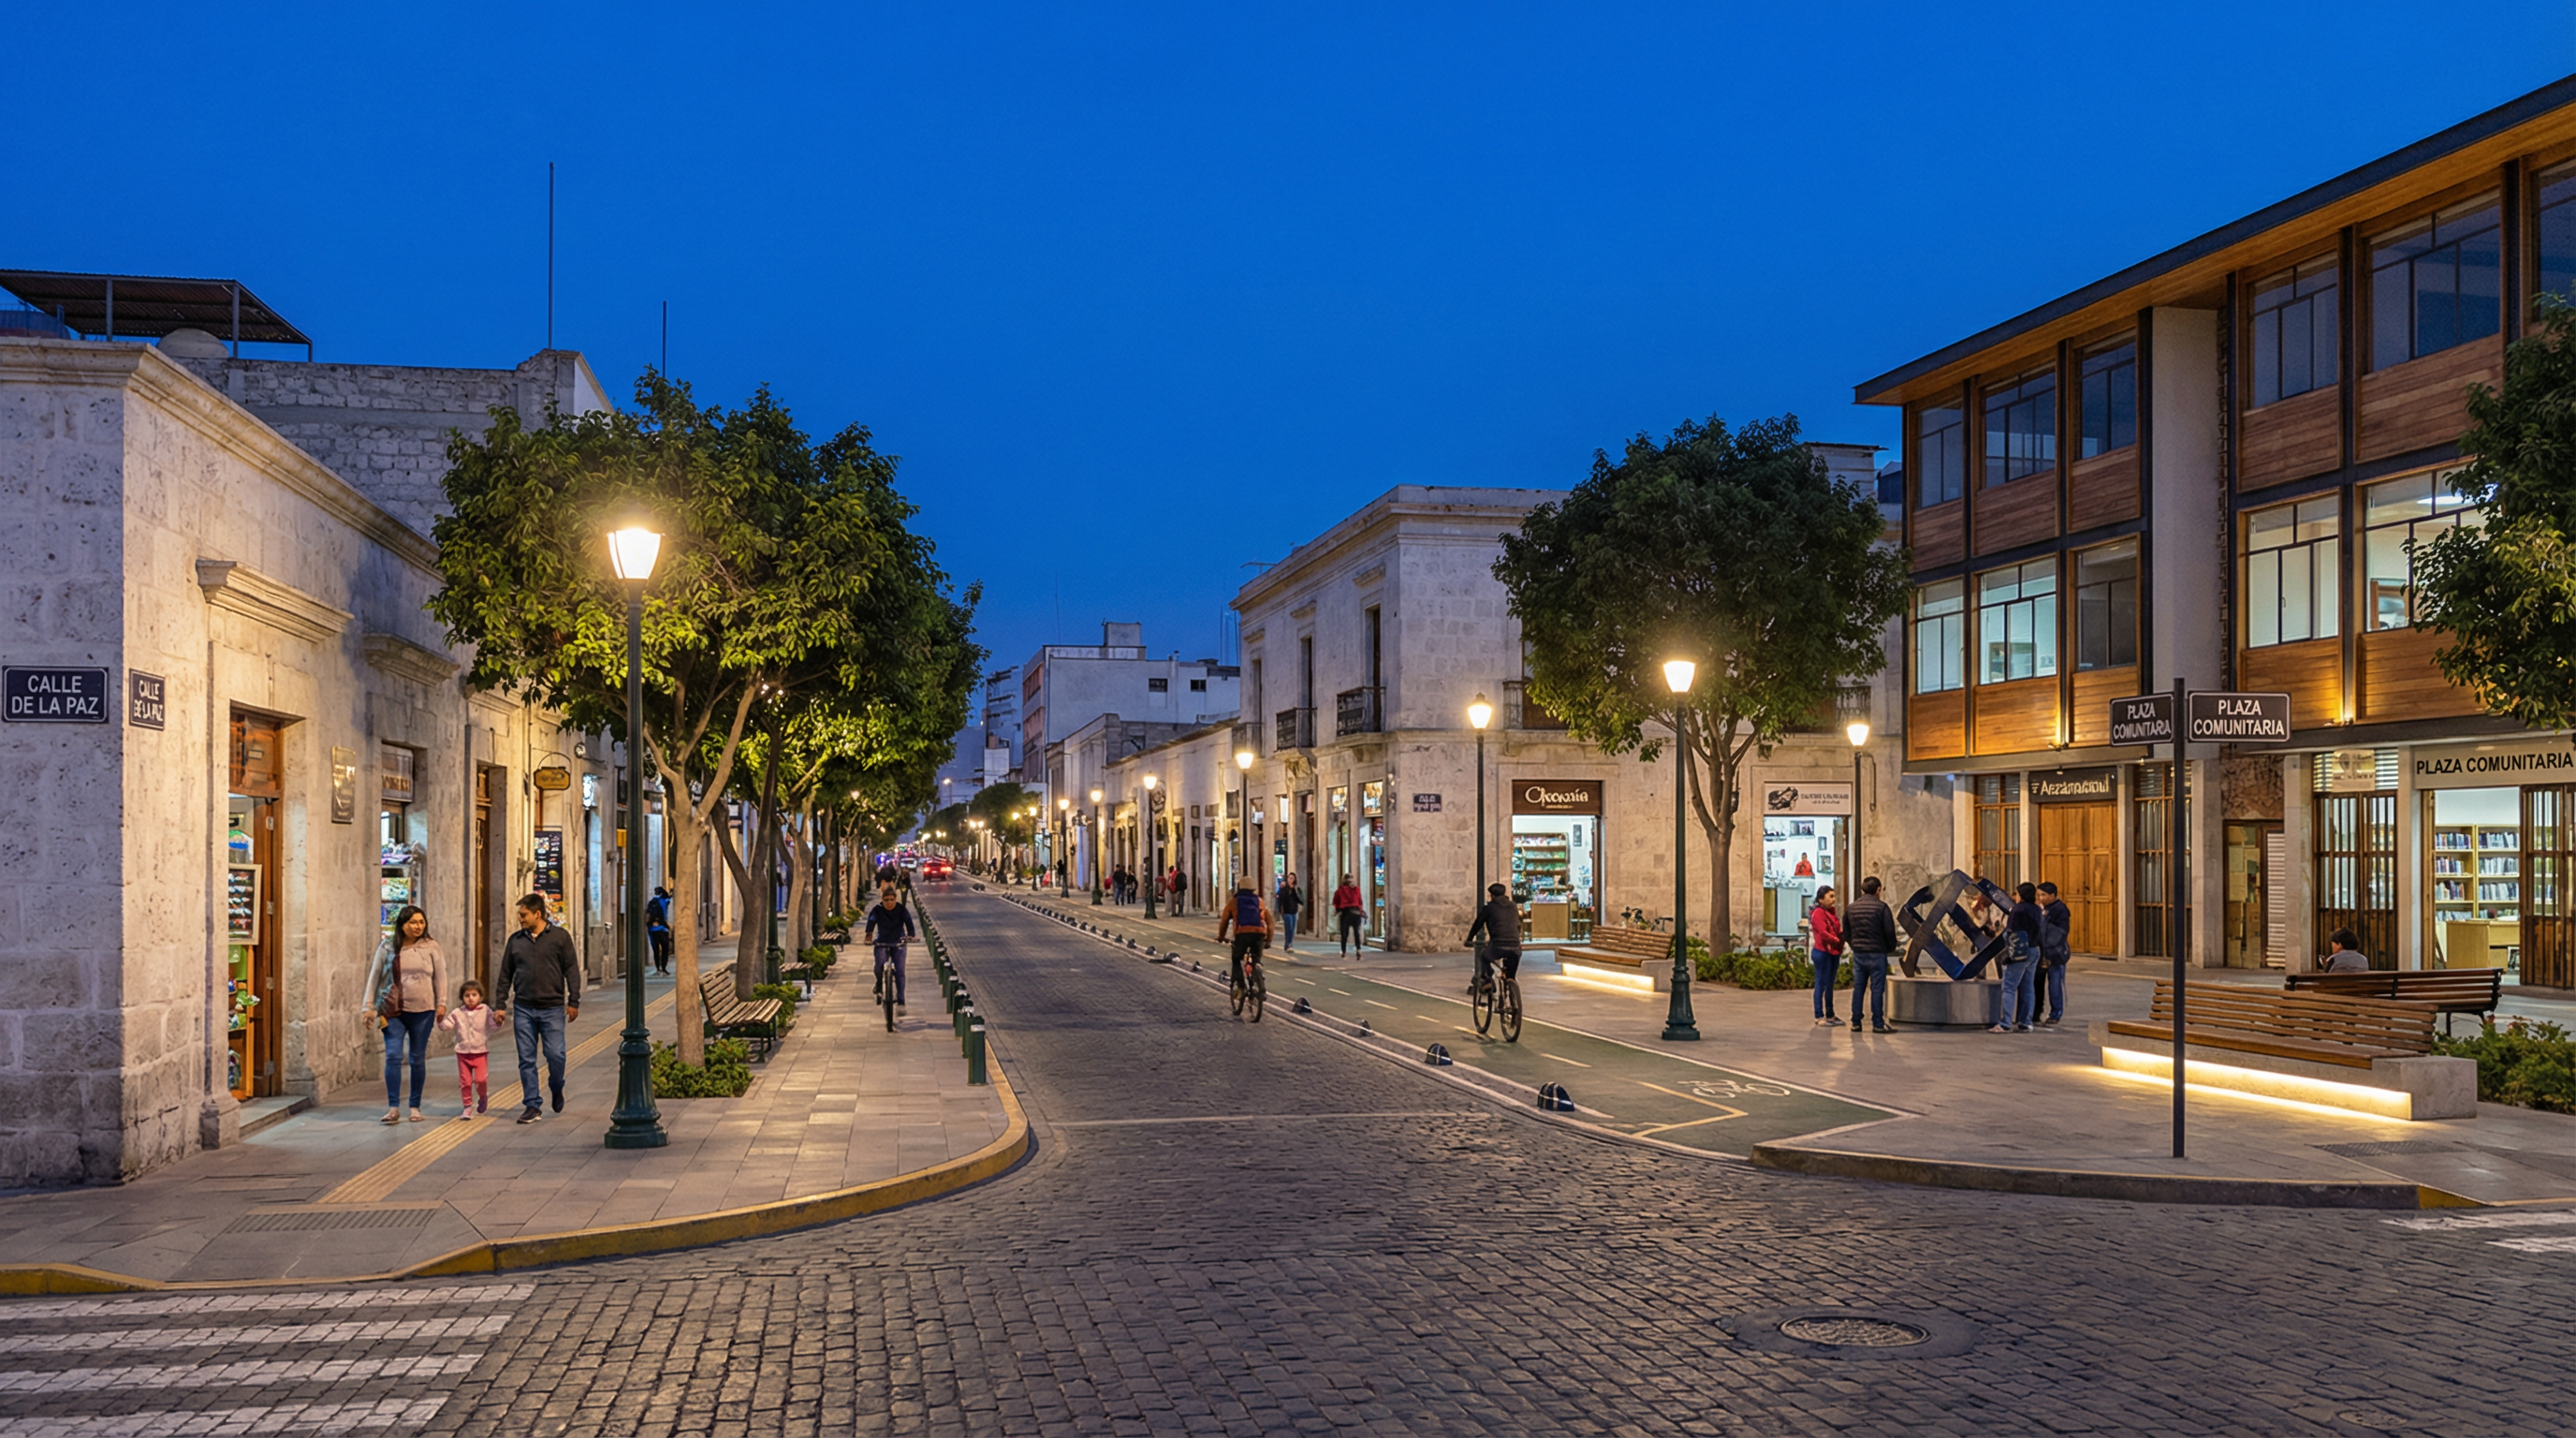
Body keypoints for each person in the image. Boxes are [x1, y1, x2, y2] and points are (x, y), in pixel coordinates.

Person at [495, 894, 580, 1123]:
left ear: (537, 914)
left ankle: (556, 1085)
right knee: (526, 1059)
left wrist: (574, 1001)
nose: (520, 919)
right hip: (523, 1008)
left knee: (556, 1055)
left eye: (523, 915)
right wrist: (500, 1005)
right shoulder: (515, 941)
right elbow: (505, 974)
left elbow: (571, 970)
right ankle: (532, 1104)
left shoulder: (560, 937)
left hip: (552, 1008)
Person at [366, 904, 448, 1124]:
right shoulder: (388, 947)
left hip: (423, 1011)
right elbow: (374, 977)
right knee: (393, 1055)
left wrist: (442, 1003)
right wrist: (368, 1007)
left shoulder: (431, 946)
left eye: (421, 922)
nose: (418, 926)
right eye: (413, 922)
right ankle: (393, 1107)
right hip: (392, 1011)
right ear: (402, 924)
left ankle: (415, 1106)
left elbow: (441, 977)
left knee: (417, 1058)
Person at [1842, 876, 1899, 1034]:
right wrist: (1889, 948)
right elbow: (1889, 931)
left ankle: (1855, 1022)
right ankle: (1878, 1023)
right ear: (1878, 890)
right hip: (1877, 954)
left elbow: (1846, 931)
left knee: (1858, 988)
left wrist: (1854, 945)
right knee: (1877, 989)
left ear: (1862, 890)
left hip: (1859, 954)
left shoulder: (1851, 908)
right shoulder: (1882, 908)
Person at [440, 980, 497, 1116]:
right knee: (465, 1082)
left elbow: (493, 1026)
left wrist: (498, 1020)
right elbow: (446, 1025)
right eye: (467, 995)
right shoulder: (457, 1013)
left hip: (480, 1052)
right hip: (463, 1053)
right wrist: (439, 1019)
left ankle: (483, 1096)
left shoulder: (485, 1010)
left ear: (480, 996)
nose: (470, 998)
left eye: (474, 995)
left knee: (481, 1080)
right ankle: (467, 1106)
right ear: (462, 998)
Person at [1992, 882, 2043, 1033]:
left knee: (2009, 987)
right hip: (2034, 950)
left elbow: (2012, 932)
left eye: (2017, 893)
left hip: (2020, 952)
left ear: (2020, 895)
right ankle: (2025, 1022)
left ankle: (2005, 1023)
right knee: (2028, 987)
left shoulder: (2018, 910)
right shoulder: (2037, 910)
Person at [1214, 879, 1272, 1000]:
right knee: (1256, 958)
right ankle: (1259, 980)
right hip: (1259, 934)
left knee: (1236, 959)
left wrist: (1221, 936)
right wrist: (1268, 940)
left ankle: (1241, 986)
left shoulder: (1234, 902)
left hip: (1242, 934)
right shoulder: (1260, 902)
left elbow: (1224, 921)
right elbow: (1270, 922)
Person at [1463, 882, 1522, 992]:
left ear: (1491, 895)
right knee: (1510, 975)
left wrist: (1469, 939)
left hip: (1498, 945)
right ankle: (1513, 995)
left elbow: (1478, 924)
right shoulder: (1513, 906)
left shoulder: (1489, 907)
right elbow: (1518, 925)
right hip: (1515, 946)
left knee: (1484, 957)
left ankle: (1488, 980)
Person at [865, 883, 916, 1009]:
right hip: (882, 941)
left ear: (895, 899)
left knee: (900, 971)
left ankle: (901, 999)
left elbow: (909, 922)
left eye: (892, 900)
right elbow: (871, 922)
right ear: (882, 900)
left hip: (899, 942)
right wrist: (869, 936)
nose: (889, 903)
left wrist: (911, 935)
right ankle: (878, 983)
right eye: (886, 900)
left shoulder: (901, 909)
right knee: (879, 965)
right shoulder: (877, 910)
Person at [2035, 881, 2072, 1025]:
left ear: (2053, 895)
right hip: (2042, 952)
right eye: (2039, 895)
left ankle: (2056, 1013)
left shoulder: (2060, 910)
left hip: (2055, 954)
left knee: (2055, 985)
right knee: (2038, 984)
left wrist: (2048, 944)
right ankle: (2037, 1012)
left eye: (2043, 895)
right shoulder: (2041, 908)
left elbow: (2061, 932)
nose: (2040, 898)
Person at [1808, 887, 1844, 1027]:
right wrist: (1837, 939)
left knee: (1830, 985)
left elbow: (1836, 928)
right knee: (1821, 984)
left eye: (1834, 896)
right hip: (1822, 952)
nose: (1834, 899)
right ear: (1821, 899)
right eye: (1830, 896)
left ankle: (1830, 1014)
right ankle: (1819, 1015)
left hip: (1833, 952)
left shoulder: (1831, 912)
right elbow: (1823, 933)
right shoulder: (1818, 913)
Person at [1333, 874, 1365, 955]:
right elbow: (1360, 901)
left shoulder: (1339, 890)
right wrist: (1360, 911)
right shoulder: (1357, 889)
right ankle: (1358, 949)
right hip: (1356, 912)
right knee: (1356, 932)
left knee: (1344, 933)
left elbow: (1336, 902)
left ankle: (1343, 951)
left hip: (1345, 912)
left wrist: (1336, 910)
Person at [646, 886, 674, 976]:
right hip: (662, 928)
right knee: (665, 949)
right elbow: (669, 901)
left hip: (652, 929)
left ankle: (658, 968)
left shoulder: (651, 902)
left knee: (656, 949)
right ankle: (664, 968)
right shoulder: (665, 901)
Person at [1274, 873, 1305, 951]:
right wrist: (1279, 910)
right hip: (1286, 911)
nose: (1290, 880)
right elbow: (1280, 899)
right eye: (1289, 878)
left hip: (1294, 911)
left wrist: (1294, 891)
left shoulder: (1297, 889)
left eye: (1292, 878)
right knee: (1289, 929)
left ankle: (1288, 944)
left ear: (1294, 880)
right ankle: (1288, 945)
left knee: (1293, 929)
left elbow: (1301, 901)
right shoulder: (1284, 888)